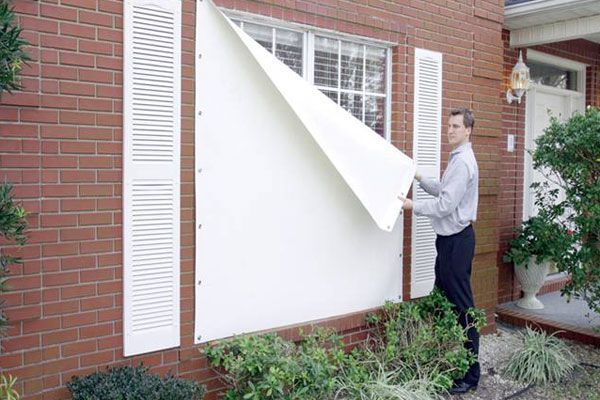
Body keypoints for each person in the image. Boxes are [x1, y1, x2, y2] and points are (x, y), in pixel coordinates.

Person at [401, 107, 480, 394]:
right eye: (448, 125)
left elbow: (445, 206)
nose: (450, 130)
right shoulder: (457, 158)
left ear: (468, 130)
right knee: (443, 300)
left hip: (457, 242)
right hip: (449, 241)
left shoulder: (462, 162)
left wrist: (412, 207)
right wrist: (418, 176)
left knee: (462, 306)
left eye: (456, 126)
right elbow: (444, 192)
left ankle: (471, 374)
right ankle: (448, 358)